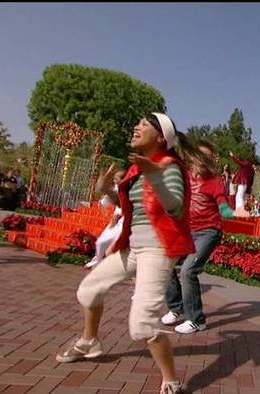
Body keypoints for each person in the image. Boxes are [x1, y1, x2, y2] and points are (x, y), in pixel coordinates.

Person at [55, 112, 204, 394]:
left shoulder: (168, 166)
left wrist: (155, 177)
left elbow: (175, 208)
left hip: (158, 249)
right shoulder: (139, 167)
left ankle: (172, 381)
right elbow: (130, 207)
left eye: (145, 125)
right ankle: (90, 341)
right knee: (88, 291)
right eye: (137, 123)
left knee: (142, 326)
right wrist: (105, 191)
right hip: (134, 246)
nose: (136, 127)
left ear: (161, 138)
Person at [162, 138, 248, 334]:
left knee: (187, 271)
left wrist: (234, 212)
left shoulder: (215, 181)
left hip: (209, 232)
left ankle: (197, 320)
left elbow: (223, 208)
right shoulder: (184, 176)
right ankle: (176, 308)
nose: (202, 161)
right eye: (199, 156)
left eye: (207, 158)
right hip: (187, 231)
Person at [85, 166, 126, 269]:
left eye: (117, 179)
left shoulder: (128, 191)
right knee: (100, 242)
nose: (114, 180)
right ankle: (97, 261)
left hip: (125, 222)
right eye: (114, 178)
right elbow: (102, 189)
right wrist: (107, 174)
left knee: (116, 246)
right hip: (116, 221)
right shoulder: (116, 190)